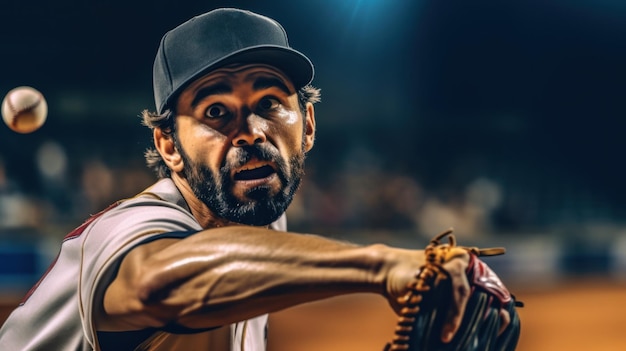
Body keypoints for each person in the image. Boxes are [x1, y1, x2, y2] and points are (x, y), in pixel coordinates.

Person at [0, 8, 514, 350]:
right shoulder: (129, 227)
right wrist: (379, 265)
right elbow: (155, 282)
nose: (250, 131)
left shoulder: (263, 221)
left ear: (308, 126)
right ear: (167, 147)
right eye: (215, 111)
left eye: (270, 103)